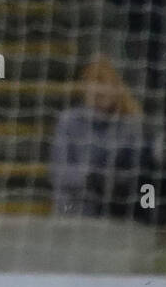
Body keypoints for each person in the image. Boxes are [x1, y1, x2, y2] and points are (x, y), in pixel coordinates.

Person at [49, 56, 150, 216]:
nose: (97, 90)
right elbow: (59, 173)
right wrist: (91, 177)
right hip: (75, 211)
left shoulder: (129, 124)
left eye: (103, 83)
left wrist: (112, 179)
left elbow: (138, 173)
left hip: (115, 210)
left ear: (117, 88)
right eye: (92, 83)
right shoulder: (69, 120)